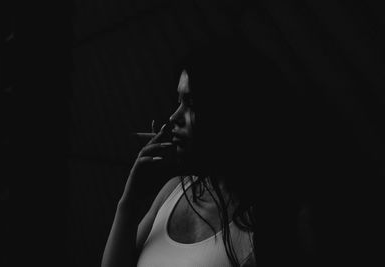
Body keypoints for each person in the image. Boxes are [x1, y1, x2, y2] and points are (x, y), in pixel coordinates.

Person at [101, 34, 318, 267]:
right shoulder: (173, 191)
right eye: (178, 102)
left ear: (228, 111)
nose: (174, 117)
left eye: (191, 104)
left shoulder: (280, 220)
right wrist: (129, 201)